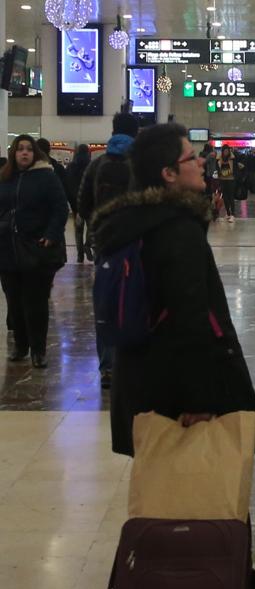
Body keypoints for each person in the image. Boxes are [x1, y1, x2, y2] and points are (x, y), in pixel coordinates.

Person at [90, 122, 255, 589]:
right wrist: (200, 396)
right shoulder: (175, 229)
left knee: (162, 496)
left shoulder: (130, 224)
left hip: (145, 378)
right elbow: (188, 316)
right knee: (217, 494)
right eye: (191, 157)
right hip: (186, 384)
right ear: (167, 173)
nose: (202, 162)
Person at [78, 111, 141, 388]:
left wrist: (97, 231)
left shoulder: (98, 163)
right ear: (135, 133)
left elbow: (82, 203)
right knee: (137, 300)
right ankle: (135, 363)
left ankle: (108, 367)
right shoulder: (141, 164)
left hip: (105, 245)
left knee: (106, 303)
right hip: (137, 244)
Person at [0, 135, 70, 370]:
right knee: (14, 302)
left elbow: (60, 207)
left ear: (35, 153)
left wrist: (51, 234)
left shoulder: (46, 177)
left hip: (36, 250)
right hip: (8, 251)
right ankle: (21, 345)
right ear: (14, 153)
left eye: (29, 149)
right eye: (20, 149)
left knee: (36, 302)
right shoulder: (5, 177)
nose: (24, 153)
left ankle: (38, 350)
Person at [65, 144, 92, 264]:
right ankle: (88, 245)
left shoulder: (70, 167)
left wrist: (72, 202)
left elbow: (68, 186)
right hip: (91, 205)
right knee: (91, 228)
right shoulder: (91, 166)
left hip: (76, 204)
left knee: (78, 230)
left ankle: (80, 255)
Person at [217, 145, 238, 223]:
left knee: (231, 197)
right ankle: (228, 213)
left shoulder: (233, 158)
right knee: (225, 197)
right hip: (222, 180)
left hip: (231, 180)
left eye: (227, 151)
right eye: (224, 151)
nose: (226, 152)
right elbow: (217, 168)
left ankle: (233, 214)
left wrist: (236, 177)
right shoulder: (219, 158)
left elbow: (235, 168)